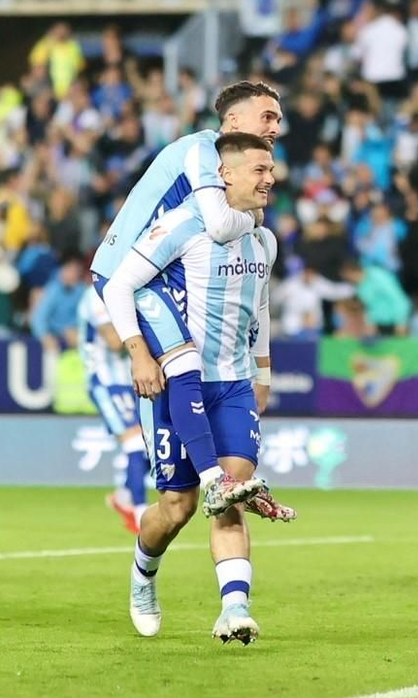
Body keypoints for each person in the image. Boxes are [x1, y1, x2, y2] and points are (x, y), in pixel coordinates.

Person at [110, 134, 293, 643]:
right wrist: (139, 353)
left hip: (232, 384)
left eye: (271, 169)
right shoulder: (187, 223)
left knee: (230, 491)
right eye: (258, 169)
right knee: (178, 508)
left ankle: (235, 610)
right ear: (225, 174)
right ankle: (143, 573)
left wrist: (263, 373)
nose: (269, 179)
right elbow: (120, 283)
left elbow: (260, 308)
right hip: (175, 380)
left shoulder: (263, 239)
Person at [91, 81, 283, 518]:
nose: (275, 126)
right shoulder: (202, 150)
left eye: (277, 119)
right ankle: (214, 480)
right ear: (233, 121)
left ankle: (205, 476)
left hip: (160, 269)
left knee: (188, 361)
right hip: (126, 272)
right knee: (182, 361)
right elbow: (218, 225)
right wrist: (253, 217)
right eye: (267, 116)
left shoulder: (242, 166)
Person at [77, 284, 147, 535]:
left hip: (132, 379)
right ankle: (140, 512)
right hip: (105, 381)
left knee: (152, 443)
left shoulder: (131, 287)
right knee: (135, 442)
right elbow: (116, 342)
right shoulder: (96, 295)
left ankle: (125, 495)